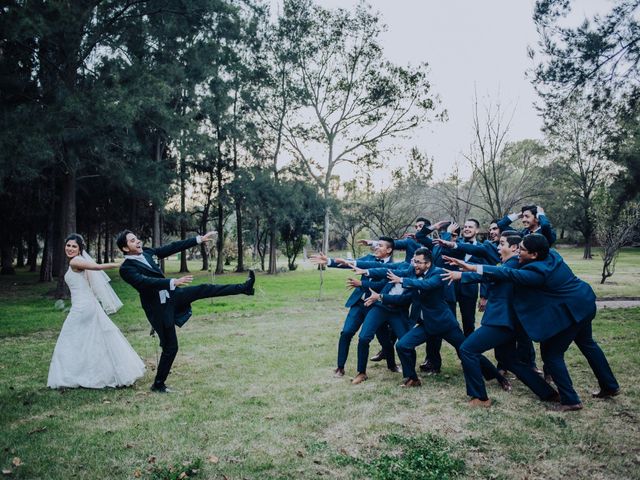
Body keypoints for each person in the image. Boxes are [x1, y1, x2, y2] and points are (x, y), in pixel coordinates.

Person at [460, 234, 619, 411]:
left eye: (522, 250)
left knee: (551, 354)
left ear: (534, 255)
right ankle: (610, 386)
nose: (518, 252)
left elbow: (508, 273)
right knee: (588, 344)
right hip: (584, 302)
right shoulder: (552, 255)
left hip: (572, 311)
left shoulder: (536, 273)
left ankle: (571, 400)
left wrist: (474, 268)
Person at [116, 230, 255, 393]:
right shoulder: (126, 269)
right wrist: (172, 281)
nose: (138, 241)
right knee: (171, 347)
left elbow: (172, 247)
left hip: (173, 295)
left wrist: (197, 240)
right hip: (159, 308)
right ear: (125, 248)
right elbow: (144, 282)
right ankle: (158, 384)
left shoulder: (147, 252)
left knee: (205, 289)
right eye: (133, 241)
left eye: (137, 238)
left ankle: (244, 288)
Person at [365, 248, 509, 397]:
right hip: (426, 324)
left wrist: (401, 280)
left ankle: (499, 377)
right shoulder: (414, 272)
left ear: (428, 264)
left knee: (467, 351)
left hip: (444, 324)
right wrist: (371, 281)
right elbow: (394, 281)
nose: (415, 265)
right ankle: (412, 379)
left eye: (418, 262)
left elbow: (426, 285)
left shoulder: (438, 273)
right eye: (414, 261)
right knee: (402, 345)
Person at [440, 233, 559, 407]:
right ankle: (547, 393)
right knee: (509, 359)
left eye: (501, 243)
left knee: (467, 349)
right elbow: (490, 274)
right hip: (507, 320)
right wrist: (462, 274)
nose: (497, 247)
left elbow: (494, 273)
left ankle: (480, 397)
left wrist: (465, 271)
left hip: (502, 321)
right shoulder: (508, 264)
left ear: (514, 248)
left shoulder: (514, 265)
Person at [48, 234, 145, 389]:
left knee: (69, 339)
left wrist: (123, 263)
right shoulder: (77, 261)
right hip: (87, 305)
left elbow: (98, 267)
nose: (70, 248)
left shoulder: (75, 261)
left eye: (74, 246)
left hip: (82, 308)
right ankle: (99, 373)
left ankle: (71, 375)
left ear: (80, 248)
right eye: (68, 245)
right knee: (93, 339)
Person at [310, 237, 400, 379]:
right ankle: (340, 368)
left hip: (376, 307)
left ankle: (391, 364)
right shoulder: (369, 258)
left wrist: (361, 284)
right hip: (359, 303)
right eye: (376, 245)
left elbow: (382, 286)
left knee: (383, 338)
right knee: (346, 333)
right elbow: (350, 264)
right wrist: (329, 261)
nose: (376, 247)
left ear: (389, 250)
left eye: (380, 246)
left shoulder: (395, 268)